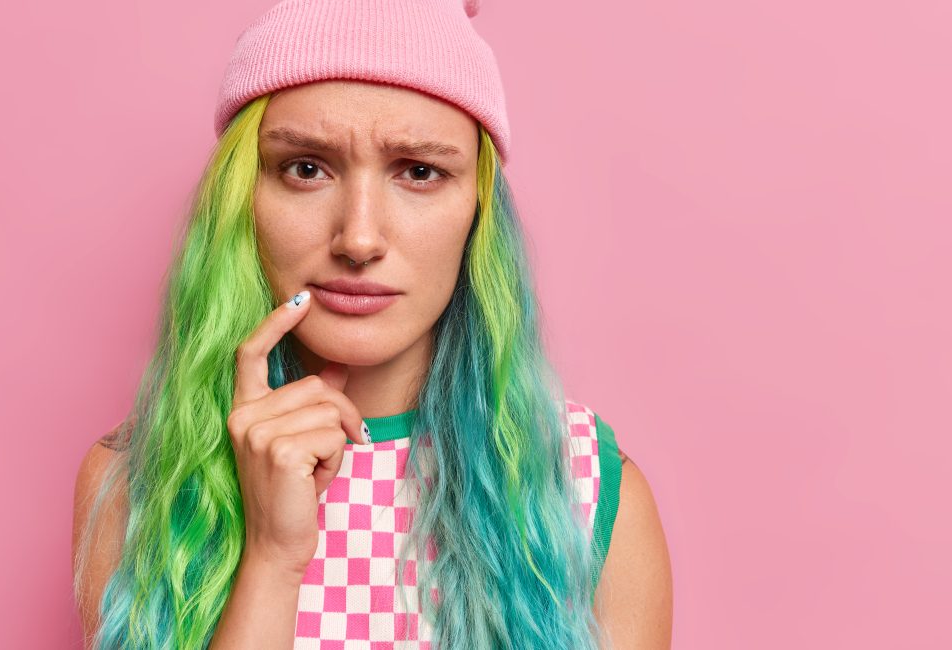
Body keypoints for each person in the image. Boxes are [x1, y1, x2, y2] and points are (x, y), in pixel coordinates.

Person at [72, 1, 672, 648]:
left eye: (419, 172)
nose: (358, 239)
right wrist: (273, 561)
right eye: (306, 168)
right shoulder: (136, 485)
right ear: (242, 199)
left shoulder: (581, 487)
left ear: (478, 212)